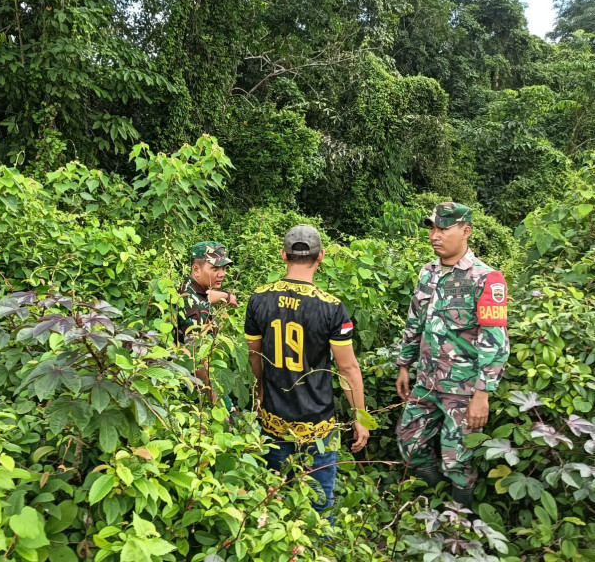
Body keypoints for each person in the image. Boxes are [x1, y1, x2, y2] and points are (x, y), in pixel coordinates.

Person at [245, 224, 369, 514]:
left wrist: (261, 388)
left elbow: (255, 356)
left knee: (273, 501)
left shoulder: (259, 298)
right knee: (320, 505)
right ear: (321, 257)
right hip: (318, 425)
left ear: (283, 255)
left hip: (273, 419)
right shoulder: (332, 307)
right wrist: (359, 417)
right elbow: (348, 369)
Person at [395, 202, 510, 508]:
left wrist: (482, 394)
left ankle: (460, 525)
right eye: (432, 228)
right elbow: (415, 321)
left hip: (464, 390)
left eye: (444, 228)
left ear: (465, 231)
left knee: (456, 462)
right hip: (427, 383)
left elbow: (495, 342)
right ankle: (435, 500)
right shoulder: (428, 272)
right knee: (409, 441)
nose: (435, 235)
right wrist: (404, 364)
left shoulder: (487, 279)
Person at [176, 241, 238, 403]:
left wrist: (226, 296)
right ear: (196, 269)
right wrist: (217, 403)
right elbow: (196, 360)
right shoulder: (194, 308)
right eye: (215, 269)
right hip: (191, 389)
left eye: (224, 268)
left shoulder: (187, 287)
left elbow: (207, 296)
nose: (222, 273)